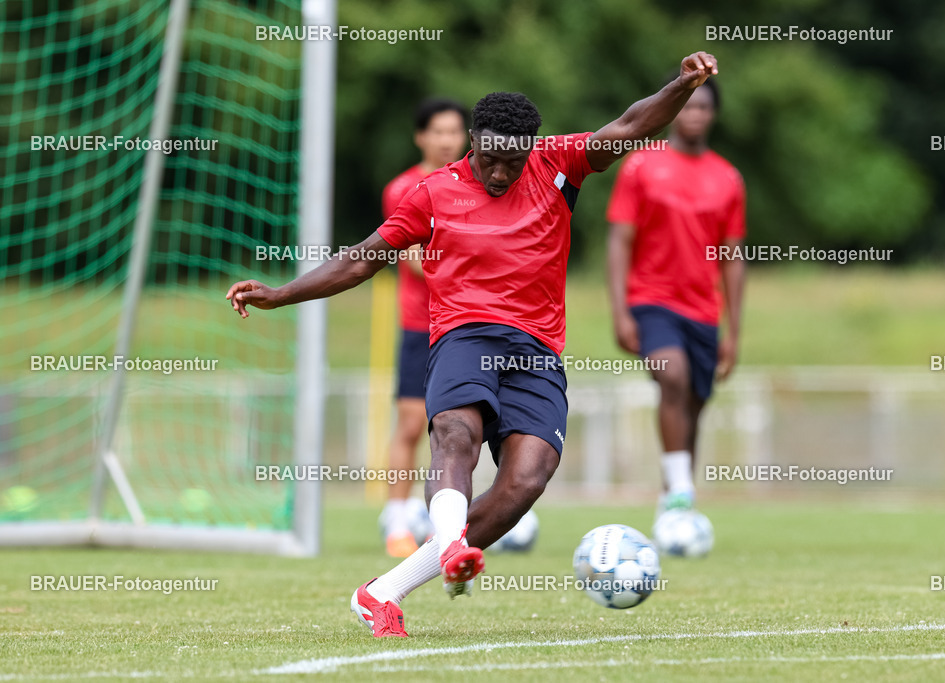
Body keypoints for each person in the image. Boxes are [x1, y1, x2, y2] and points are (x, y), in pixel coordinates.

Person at [226, 51, 719, 637]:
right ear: (472, 143)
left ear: (530, 149)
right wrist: (281, 294)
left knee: (526, 479)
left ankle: (383, 590)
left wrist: (682, 84)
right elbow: (361, 261)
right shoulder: (432, 192)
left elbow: (632, 125)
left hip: (536, 350)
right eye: (489, 159)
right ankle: (452, 544)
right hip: (464, 334)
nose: (500, 174)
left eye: (513, 162)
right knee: (455, 433)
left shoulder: (559, 163)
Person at [605, 79, 745, 517]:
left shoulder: (728, 178)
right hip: (651, 300)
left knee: (694, 404)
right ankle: (683, 489)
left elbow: (732, 258)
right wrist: (619, 311)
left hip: (703, 309)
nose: (694, 114)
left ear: (713, 114)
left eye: (703, 107)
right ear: (674, 109)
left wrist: (734, 332)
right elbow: (619, 240)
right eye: (687, 105)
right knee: (672, 377)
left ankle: (675, 499)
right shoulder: (641, 165)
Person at [380, 98, 468, 558]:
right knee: (413, 424)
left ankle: (457, 525)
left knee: (463, 425)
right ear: (421, 137)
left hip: (465, 326)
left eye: (454, 131)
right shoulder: (403, 188)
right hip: (422, 325)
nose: (447, 140)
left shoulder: (473, 184)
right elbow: (412, 257)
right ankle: (397, 521)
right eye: (438, 131)